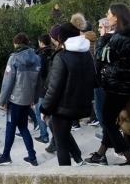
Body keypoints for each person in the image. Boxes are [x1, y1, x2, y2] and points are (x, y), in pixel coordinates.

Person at [84, 3, 130, 166]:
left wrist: (102, 39)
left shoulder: (119, 38)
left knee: (107, 121)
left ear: (116, 17)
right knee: (111, 120)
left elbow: (101, 56)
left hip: (118, 87)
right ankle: (100, 155)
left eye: (109, 13)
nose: (107, 15)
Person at [40, 22, 94, 166]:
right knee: (58, 130)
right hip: (80, 104)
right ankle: (78, 159)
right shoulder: (86, 54)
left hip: (64, 106)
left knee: (61, 143)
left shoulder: (62, 57)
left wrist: (45, 109)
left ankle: (66, 175)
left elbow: (54, 87)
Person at [0, 33, 43, 166]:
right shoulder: (37, 59)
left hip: (15, 100)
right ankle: (32, 157)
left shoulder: (14, 58)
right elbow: (39, 82)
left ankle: (6, 156)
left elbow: (8, 81)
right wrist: (35, 98)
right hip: (27, 100)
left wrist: (2, 100)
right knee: (23, 127)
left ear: (16, 44)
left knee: (10, 127)